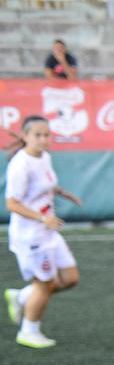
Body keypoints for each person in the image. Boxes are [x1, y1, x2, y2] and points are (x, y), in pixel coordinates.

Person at [4, 116, 84, 350]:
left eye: (46, 135)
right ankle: (29, 331)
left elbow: (43, 186)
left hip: (48, 231)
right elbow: (12, 204)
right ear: (26, 136)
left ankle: (21, 297)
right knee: (44, 285)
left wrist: (62, 192)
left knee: (70, 279)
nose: (43, 139)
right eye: (37, 135)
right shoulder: (20, 164)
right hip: (32, 236)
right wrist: (42, 218)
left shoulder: (45, 157)